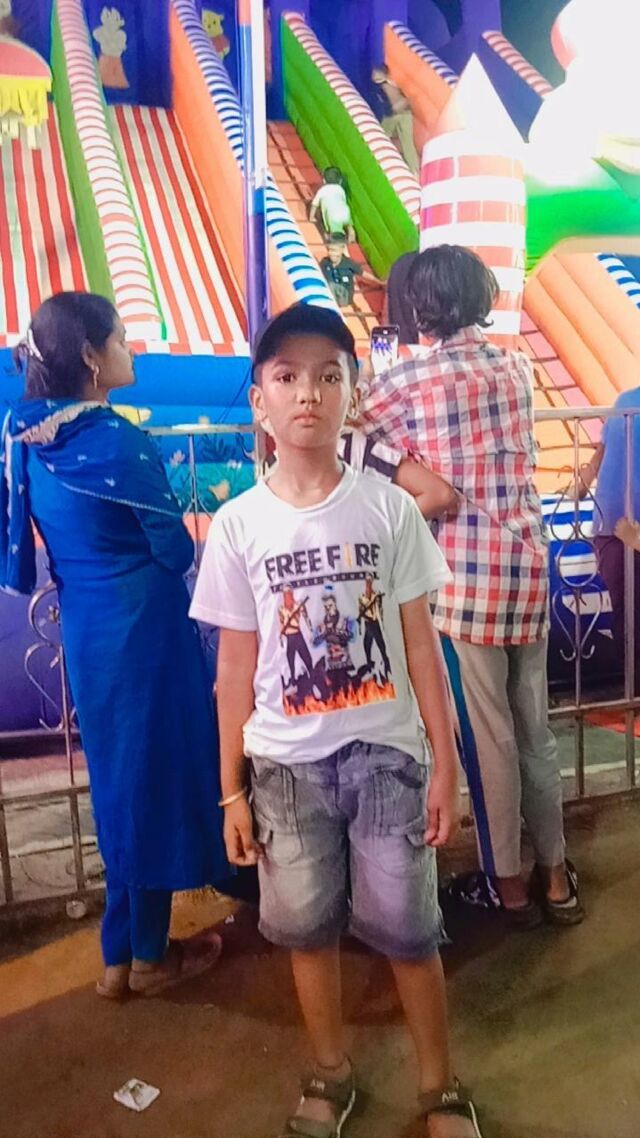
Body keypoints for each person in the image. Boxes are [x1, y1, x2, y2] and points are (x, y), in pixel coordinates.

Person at [190, 302, 483, 1138]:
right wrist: (231, 792)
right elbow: (234, 671)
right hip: (284, 774)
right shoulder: (239, 526)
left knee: (409, 931)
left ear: (353, 393)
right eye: (287, 377)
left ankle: (439, 1085)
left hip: (387, 759)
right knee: (306, 930)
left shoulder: (389, 510)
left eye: (329, 375)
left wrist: (446, 766)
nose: (308, 393)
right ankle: (330, 1071)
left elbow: (421, 647)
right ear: (260, 401)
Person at [0, 293, 228, 998]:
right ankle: (149, 958)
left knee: (119, 784)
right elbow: (173, 550)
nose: (133, 351)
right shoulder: (117, 441)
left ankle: (119, 955)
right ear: (92, 358)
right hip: (146, 630)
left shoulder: (25, 434)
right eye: (123, 339)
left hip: (87, 630)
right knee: (152, 781)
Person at [361, 245, 584, 929]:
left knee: (489, 742)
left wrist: (405, 470)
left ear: (421, 306)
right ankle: (556, 877)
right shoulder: (516, 367)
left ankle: (507, 887)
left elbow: (352, 435)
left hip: (464, 584)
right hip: (526, 568)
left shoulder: (408, 381)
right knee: (535, 733)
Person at [569, 389, 640, 694]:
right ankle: (632, 693)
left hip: (628, 531)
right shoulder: (626, 400)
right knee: (626, 615)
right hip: (612, 525)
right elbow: (604, 449)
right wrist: (582, 484)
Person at [371, 65, 420, 175]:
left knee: (383, 138)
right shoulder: (389, 84)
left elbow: (393, 105)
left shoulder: (384, 86)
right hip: (402, 113)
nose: (373, 75)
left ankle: (413, 171)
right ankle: (415, 171)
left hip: (397, 114)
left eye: (375, 73)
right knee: (406, 143)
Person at [319, 234, 379, 309]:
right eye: (329, 250)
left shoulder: (348, 263)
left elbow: (363, 273)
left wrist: (379, 282)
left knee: (330, 285)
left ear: (342, 249)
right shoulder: (325, 262)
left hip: (344, 295)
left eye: (334, 250)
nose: (331, 253)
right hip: (332, 292)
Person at [309, 168, 355, 243]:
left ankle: (340, 241)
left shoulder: (323, 190)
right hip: (345, 212)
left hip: (333, 215)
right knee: (348, 223)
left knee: (336, 231)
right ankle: (351, 230)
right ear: (340, 181)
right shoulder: (341, 189)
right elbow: (343, 201)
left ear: (324, 180)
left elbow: (314, 204)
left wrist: (311, 217)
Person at [385, 249, 420, 343]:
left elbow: (386, 311)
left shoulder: (400, 263)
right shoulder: (441, 268)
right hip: (423, 347)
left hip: (399, 344)